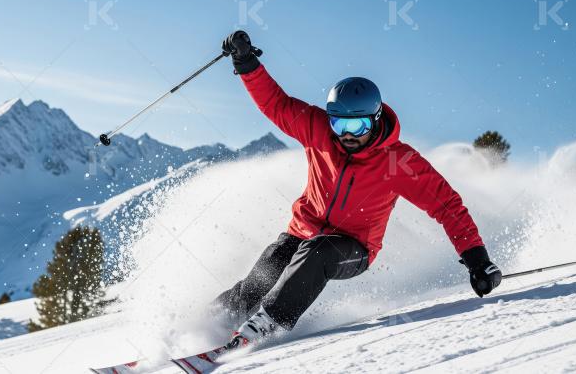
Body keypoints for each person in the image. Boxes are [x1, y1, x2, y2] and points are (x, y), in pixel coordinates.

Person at [215, 30, 502, 349]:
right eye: (340, 125)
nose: (347, 136)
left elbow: (446, 206)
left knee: (318, 251)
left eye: (358, 127)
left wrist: (477, 259)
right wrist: (245, 62)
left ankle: (266, 324)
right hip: (302, 231)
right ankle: (212, 321)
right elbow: (276, 104)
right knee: (269, 265)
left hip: (353, 248)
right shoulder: (316, 129)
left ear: (375, 120)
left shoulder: (398, 161)